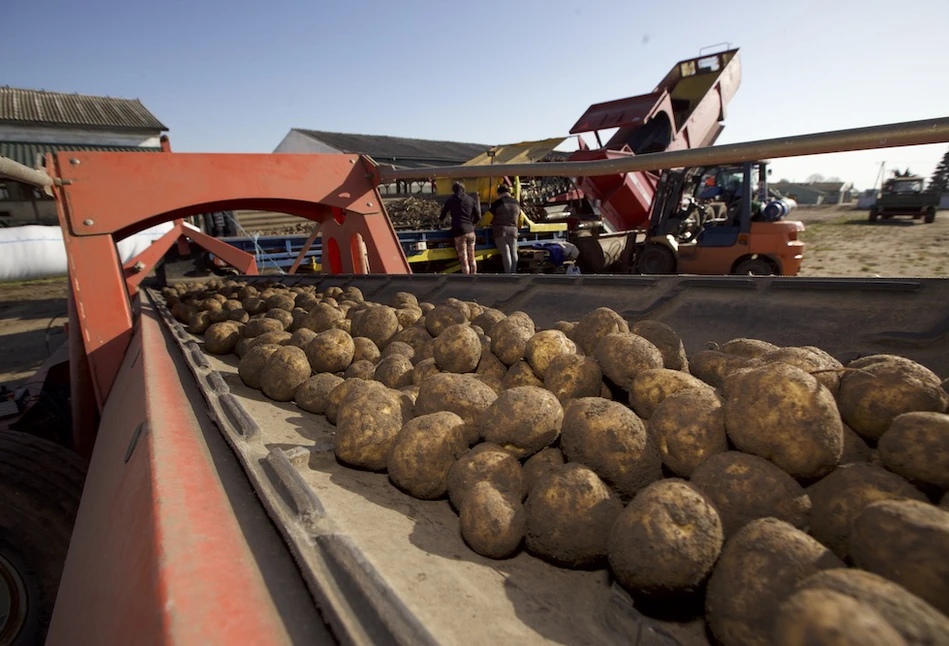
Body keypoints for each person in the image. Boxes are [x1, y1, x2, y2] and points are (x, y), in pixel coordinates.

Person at [488, 184, 533, 274]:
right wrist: (519, 226)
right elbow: (521, 218)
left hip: (501, 231)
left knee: (506, 253)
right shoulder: (516, 203)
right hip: (513, 231)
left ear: (499, 193)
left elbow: (487, 218)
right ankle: (514, 272)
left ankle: (508, 274)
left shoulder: (497, 203)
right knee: (513, 252)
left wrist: (480, 225)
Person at [439, 181, 481, 275]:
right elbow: (478, 217)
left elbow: (443, 214)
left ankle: (467, 278)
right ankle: (474, 275)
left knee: (464, 258)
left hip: (459, 232)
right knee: (472, 256)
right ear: (463, 189)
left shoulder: (451, 200)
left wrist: (440, 222)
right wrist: (471, 223)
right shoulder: (471, 200)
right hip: (470, 231)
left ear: (453, 190)